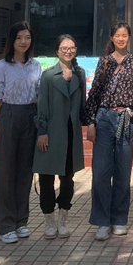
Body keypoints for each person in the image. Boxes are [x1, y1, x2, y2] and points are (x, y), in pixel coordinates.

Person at [83, 22, 133, 241]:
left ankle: (119, 220)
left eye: (124, 35)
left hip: (126, 118)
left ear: (129, 37)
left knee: (123, 171)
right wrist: (90, 122)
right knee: (100, 172)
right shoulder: (104, 62)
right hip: (104, 119)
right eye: (117, 35)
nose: (121, 39)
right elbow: (94, 93)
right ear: (112, 37)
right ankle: (101, 221)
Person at [0, 21, 42, 244]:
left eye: (27, 37)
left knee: (25, 172)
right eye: (19, 37)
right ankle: (5, 225)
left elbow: (38, 95)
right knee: (5, 172)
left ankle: (21, 221)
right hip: (8, 115)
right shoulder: (1, 66)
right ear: (12, 40)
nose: (23, 41)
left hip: (30, 116)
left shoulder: (36, 65)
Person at [33, 34, 86, 240]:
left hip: (71, 133)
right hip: (50, 132)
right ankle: (49, 221)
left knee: (67, 179)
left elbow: (82, 105)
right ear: (57, 51)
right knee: (46, 178)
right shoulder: (48, 75)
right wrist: (42, 131)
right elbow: (42, 105)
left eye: (71, 48)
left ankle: (63, 220)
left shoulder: (80, 74)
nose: (68, 51)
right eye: (64, 48)